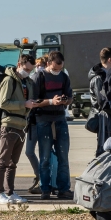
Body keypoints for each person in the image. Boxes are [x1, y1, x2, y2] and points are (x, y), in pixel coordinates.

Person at [0, 54, 41, 204]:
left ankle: (10, 192)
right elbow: (4, 103)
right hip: (9, 124)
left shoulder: (26, 82)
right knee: (3, 160)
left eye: (31, 69)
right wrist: (24, 104)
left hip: (21, 125)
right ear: (19, 64)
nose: (28, 71)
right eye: (26, 68)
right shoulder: (9, 80)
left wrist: (30, 104)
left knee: (13, 162)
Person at [34, 51, 74, 200]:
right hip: (44, 119)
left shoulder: (64, 77)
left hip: (60, 118)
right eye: (56, 68)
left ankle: (63, 189)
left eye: (60, 68)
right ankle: (45, 189)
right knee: (45, 157)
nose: (58, 71)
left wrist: (65, 101)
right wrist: (51, 101)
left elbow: (70, 97)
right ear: (49, 63)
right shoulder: (39, 77)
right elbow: (34, 101)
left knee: (63, 156)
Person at [89, 47, 111, 156]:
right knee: (104, 146)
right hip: (104, 116)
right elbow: (102, 101)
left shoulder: (109, 75)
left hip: (110, 115)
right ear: (110, 60)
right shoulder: (99, 78)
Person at [24, 55, 48, 194]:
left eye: (40, 64)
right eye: (37, 65)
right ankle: (39, 175)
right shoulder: (33, 79)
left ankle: (43, 180)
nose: (38, 68)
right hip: (33, 120)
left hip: (42, 119)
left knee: (44, 153)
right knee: (29, 151)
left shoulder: (40, 78)